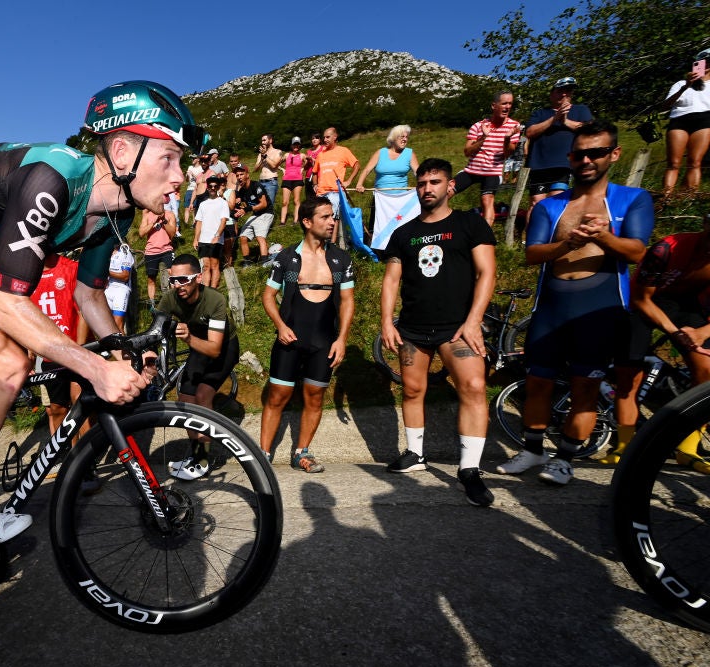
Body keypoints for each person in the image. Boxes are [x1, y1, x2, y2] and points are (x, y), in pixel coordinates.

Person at [0, 80, 204, 547]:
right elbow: (9, 303)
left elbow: (89, 295)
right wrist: (92, 366)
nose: (180, 176)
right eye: (170, 158)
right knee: (7, 363)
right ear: (122, 153)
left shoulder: (117, 212)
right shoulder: (52, 177)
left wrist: (121, 351)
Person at [499, 120, 654, 485]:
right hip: (552, 305)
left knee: (585, 386)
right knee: (538, 382)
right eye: (579, 153)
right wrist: (568, 244)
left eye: (596, 152)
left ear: (613, 154)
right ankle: (533, 449)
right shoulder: (551, 207)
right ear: (570, 157)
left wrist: (603, 235)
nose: (586, 160)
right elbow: (532, 253)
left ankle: (565, 457)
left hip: (599, 306)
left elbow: (636, 251)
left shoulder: (631, 199)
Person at [380, 158, 497, 507]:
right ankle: (415, 454)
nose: (427, 188)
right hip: (413, 328)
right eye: (421, 183)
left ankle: (470, 470)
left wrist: (474, 320)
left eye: (434, 182)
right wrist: (387, 321)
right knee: (413, 390)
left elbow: (487, 273)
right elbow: (391, 280)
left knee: (474, 388)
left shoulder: (469, 224)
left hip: (457, 327)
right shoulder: (403, 233)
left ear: (450, 186)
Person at [603, 213, 710, 468]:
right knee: (629, 376)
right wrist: (675, 332)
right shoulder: (666, 248)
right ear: (706, 224)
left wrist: (703, 333)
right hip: (646, 304)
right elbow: (641, 299)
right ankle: (624, 445)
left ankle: (688, 448)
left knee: (706, 373)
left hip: (690, 306)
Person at [260, 196, 354, 474]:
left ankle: (302, 452)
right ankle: (263, 454)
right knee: (277, 396)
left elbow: (348, 301)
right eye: (325, 217)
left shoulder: (340, 258)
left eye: (332, 216)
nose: (332, 222)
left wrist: (342, 339)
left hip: (324, 341)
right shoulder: (287, 257)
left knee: (314, 397)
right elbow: (268, 296)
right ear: (307, 221)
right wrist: (280, 325)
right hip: (290, 339)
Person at [155, 254, 239, 480]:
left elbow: (214, 349)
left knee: (202, 396)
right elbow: (154, 333)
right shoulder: (170, 298)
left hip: (222, 347)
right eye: (173, 279)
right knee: (185, 401)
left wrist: (189, 338)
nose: (177, 285)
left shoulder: (215, 300)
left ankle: (205, 460)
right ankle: (197, 455)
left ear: (199, 278)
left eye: (184, 279)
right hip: (197, 345)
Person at [28, 253, 89, 437]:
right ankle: (68, 456)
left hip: (74, 351)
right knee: (56, 409)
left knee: (80, 403)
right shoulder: (28, 275)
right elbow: (26, 316)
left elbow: (84, 312)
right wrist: (29, 351)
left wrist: (79, 350)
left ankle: (86, 457)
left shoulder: (71, 268)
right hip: (49, 354)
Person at [453, 90, 521, 226]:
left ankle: (485, 235)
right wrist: (483, 138)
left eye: (510, 104)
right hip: (472, 170)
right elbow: (467, 152)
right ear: (493, 105)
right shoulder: (478, 126)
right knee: (446, 191)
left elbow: (508, 153)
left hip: (492, 172)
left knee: (487, 199)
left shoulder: (514, 126)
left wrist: (507, 138)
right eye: (504, 103)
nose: (507, 107)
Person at [524, 77, 593, 211]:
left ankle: (552, 232)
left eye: (568, 91)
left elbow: (589, 129)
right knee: (536, 205)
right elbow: (530, 132)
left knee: (556, 204)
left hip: (563, 165)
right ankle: (531, 232)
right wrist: (554, 118)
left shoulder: (581, 110)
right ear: (552, 94)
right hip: (539, 166)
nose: (564, 94)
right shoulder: (540, 113)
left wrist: (565, 121)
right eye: (560, 91)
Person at [354, 124, 420, 242]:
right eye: (401, 137)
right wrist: (359, 184)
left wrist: (422, 184)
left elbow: (418, 172)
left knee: (399, 224)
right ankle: (376, 251)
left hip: (400, 198)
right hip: (381, 198)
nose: (405, 139)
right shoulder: (380, 153)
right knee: (377, 225)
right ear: (394, 138)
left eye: (406, 137)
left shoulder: (409, 153)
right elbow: (367, 170)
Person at [661, 48, 710, 195]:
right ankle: (666, 197)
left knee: (695, 162)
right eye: (703, 61)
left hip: (704, 120)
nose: (706, 64)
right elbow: (666, 104)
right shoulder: (680, 83)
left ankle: (688, 199)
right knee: (673, 163)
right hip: (679, 119)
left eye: (709, 61)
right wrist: (685, 86)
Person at [311, 127, 360, 218]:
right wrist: (314, 184)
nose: (325, 140)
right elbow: (314, 171)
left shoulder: (343, 151)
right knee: (322, 223)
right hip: (321, 194)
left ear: (335, 137)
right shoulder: (321, 154)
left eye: (328, 137)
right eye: (324, 137)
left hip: (336, 193)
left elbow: (357, 165)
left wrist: (349, 181)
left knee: (335, 222)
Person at [231, 163, 274, 266]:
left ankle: (264, 262)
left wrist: (247, 209)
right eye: (237, 175)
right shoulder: (242, 190)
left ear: (247, 175)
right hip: (255, 214)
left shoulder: (256, 186)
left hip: (266, 213)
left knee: (260, 237)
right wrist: (237, 210)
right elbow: (240, 203)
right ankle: (247, 262)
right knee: (243, 237)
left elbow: (264, 204)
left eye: (241, 174)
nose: (239, 177)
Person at [193, 175, 229, 288]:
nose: (213, 188)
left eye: (215, 186)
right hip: (203, 240)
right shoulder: (203, 204)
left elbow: (223, 221)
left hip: (216, 239)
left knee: (214, 265)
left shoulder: (223, 202)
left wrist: (217, 236)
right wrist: (196, 238)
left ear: (218, 187)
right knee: (205, 267)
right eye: (210, 186)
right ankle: (205, 290)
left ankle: (213, 290)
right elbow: (199, 222)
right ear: (207, 187)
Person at [139, 208, 177, 304]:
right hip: (151, 251)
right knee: (151, 278)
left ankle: (174, 301)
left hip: (167, 249)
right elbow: (141, 233)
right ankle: (152, 305)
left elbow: (172, 234)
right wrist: (153, 223)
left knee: (173, 274)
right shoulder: (147, 215)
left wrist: (164, 221)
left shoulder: (170, 214)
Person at [105, 243, 135, 333]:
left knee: (118, 326)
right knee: (105, 325)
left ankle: (124, 347)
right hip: (108, 288)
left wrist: (106, 272)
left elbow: (125, 276)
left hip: (121, 290)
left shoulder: (125, 252)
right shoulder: (107, 253)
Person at [279, 137, 306, 225]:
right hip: (287, 179)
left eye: (297, 144)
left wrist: (303, 168)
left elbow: (308, 163)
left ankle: (295, 220)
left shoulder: (302, 155)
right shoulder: (287, 155)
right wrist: (282, 169)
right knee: (284, 202)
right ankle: (282, 222)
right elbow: (277, 163)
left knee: (296, 200)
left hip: (297, 179)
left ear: (300, 145)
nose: (296, 146)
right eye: (294, 144)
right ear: (291, 145)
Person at [254, 133, 285, 208]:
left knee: (269, 206)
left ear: (270, 140)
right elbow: (255, 169)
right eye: (262, 141)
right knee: (260, 205)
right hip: (260, 182)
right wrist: (262, 158)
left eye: (264, 140)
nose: (262, 142)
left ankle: (269, 219)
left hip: (271, 182)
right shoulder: (261, 154)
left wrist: (265, 155)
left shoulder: (278, 152)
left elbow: (274, 165)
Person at [303, 132, 324, 198]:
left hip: (319, 176)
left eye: (316, 138)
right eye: (312, 139)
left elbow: (323, 162)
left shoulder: (323, 149)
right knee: (309, 197)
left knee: (318, 197)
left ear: (320, 140)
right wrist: (307, 161)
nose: (314, 140)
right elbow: (305, 167)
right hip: (308, 176)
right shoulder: (309, 151)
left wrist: (312, 159)